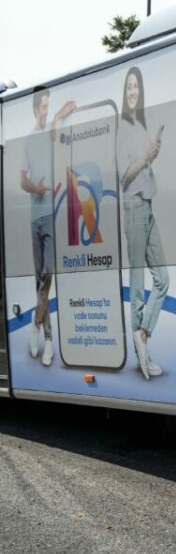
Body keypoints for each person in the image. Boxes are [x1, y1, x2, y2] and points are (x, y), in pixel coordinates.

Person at [117, 67, 167, 380]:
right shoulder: (124, 127)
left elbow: (141, 168)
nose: (133, 92)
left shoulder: (140, 124)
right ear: (125, 92)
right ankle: (142, 353)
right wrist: (146, 156)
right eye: (129, 87)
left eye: (137, 87)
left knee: (162, 279)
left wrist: (152, 154)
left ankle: (143, 335)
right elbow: (124, 176)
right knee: (138, 285)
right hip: (133, 206)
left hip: (147, 205)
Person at [20, 88, 75, 367]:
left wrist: (60, 113)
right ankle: (49, 340)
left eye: (47, 106)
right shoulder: (29, 140)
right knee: (40, 281)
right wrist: (36, 187)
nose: (45, 110)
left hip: (51, 215)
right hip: (34, 217)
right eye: (42, 107)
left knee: (48, 274)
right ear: (34, 109)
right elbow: (22, 181)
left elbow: (57, 128)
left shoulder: (48, 132)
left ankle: (35, 321)